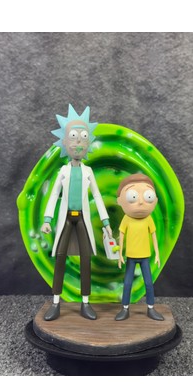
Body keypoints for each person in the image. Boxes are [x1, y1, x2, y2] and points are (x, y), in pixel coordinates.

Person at [41, 104, 112, 321]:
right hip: (65, 219)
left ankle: (85, 302)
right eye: (73, 137)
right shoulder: (63, 171)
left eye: (83, 137)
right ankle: (56, 302)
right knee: (60, 258)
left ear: (89, 143)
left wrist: (106, 222)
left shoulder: (88, 171)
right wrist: (47, 219)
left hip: (82, 219)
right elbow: (54, 195)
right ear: (64, 141)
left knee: (85, 259)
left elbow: (97, 196)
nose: (78, 142)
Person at [116, 173, 164, 321]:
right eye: (133, 197)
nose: (141, 203)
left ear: (155, 200)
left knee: (148, 283)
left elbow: (153, 235)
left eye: (148, 196)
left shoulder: (148, 219)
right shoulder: (126, 219)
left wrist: (157, 254)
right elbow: (121, 235)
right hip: (131, 257)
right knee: (127, 283)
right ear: (120, 201)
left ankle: (151, 308)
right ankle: (125, 308)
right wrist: (119, 255)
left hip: (145, 257)